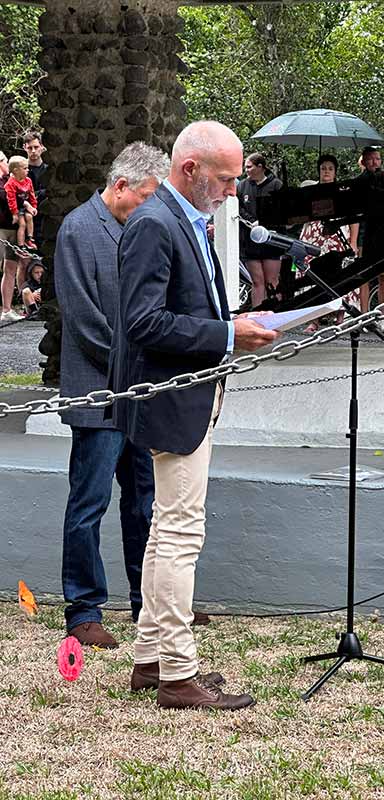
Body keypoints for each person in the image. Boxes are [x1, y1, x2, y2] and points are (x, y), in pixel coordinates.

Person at [108, 120, 278, 711]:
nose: (233, 190)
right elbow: (143, 322)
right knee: (180, 533)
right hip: (170, 397)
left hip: (188, 393)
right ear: (190, 171)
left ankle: (151, 660)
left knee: (166, 532)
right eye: (227, 179)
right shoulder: (157, 224)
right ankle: (179, 673)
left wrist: (228, 328)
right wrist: (227, 332)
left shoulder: (179, 219)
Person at [54, 142, 170, 649]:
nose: (151, 206)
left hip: (138, 396)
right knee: (89, 503)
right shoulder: (79, 229)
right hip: (99, 395)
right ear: (121, 186)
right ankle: (83, 608)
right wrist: (131, 370)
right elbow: (82, 320)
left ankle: (149, 603)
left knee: (144, 504)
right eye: (146, 196)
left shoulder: (138, 229)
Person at [300, 154, 359, 332]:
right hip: (314, 236)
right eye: (323, 168)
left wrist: (353, 242)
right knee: (314, 276)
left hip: (338, 237)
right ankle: (315, 319)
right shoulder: (311, 191)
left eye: (330, 168)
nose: (326, 171)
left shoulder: (343, 190)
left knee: (339, 275)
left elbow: (353, 217)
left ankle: (340, 318)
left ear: (335, 172)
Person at [356, 145, 384, 328]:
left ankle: (383, 316)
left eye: (377, 159)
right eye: (371, 159)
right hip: (367, 234)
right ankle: (365, 316)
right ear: (364, 161)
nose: (375, 162)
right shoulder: (360, 182)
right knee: (365, 277)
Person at [237, 152, 283, 306]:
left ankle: (277, 316)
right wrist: (252, 222)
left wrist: (265, 222)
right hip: (250, 241)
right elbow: (237, 208)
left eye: (249, 167)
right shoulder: (242, 185)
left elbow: (282, 211)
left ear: (260, 167)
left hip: (271, 240)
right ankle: (257, 318)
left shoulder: (276, 185)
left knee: (272, 281)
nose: (247, 170)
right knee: (257, 282)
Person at [0, 151, 25, 322]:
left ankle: (7, 309)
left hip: (13, 228)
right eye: (2, 160)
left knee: (10, 269)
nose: (6, 162)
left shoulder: (10, 181)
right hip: (2, 229)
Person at [5, 155, 37, 252]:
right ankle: (21, 245)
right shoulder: (10, 184)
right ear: (16, 170)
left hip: (26, 207)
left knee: (29, 217)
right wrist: (14, 213)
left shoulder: (28, 181)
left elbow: (32, 195)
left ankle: (30, 239)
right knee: (22, 224)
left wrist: (34, 206)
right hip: (17, 208)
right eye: (25, 168)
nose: (28, 170)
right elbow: (11, 199)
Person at [23, 131, 48, 247]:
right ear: (24, 148)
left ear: (42, 147)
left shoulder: (49, 170)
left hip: (45, 219)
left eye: (36, 147)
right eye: (30, 148)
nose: (33, 151)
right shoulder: (20, 171)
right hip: (27, 222)